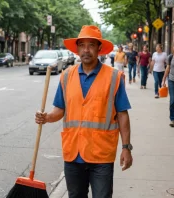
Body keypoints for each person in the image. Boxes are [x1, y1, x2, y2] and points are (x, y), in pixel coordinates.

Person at [35, 25, 133, 198]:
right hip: (73, 154)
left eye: (91, 45)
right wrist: (47, 117)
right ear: (77, 49)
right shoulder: (66, 76)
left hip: (101, 155)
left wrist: (126, 148)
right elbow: (60, 109)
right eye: (82, 45)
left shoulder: (114, 77)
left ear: (99, 48)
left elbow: (123, 115)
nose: (86, 50)